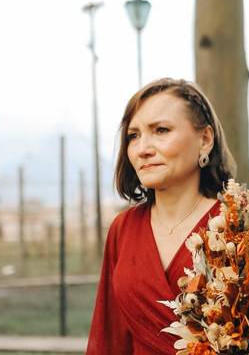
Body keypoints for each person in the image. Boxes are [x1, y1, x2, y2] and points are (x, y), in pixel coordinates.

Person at [87, 78, 235, 354]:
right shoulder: (123, 228)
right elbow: (108, 335)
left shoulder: (235, 226)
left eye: (161, 130)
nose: (143, 148)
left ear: (205, 139)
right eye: (134, 136)